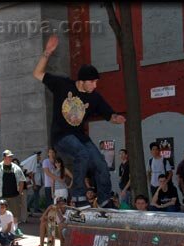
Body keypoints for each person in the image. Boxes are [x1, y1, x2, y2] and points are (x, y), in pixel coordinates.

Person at [33, 34, 126, 209]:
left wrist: (117, 119)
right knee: (82, 154)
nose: (95, 86)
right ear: (81, 81)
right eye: (92, 82)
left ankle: (105, 199)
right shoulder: (63, 85)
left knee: (100, 162)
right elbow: (37, 73)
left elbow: (109, 115)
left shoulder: (95, 97)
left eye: (96, 82)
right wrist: (47, 53)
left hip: (79, 136)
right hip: (61, 136)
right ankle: (77, 196)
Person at [0, 150, 27, 227]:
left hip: (14, 196)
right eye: (9, 156)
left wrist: (20, 193)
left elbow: (21, 181)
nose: (11, 158)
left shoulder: (16, 168)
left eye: (11, 156)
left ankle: (15, 229)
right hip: (1, 195)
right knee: (0, 213)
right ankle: (1, 229)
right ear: (4, 157)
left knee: (15, 213)